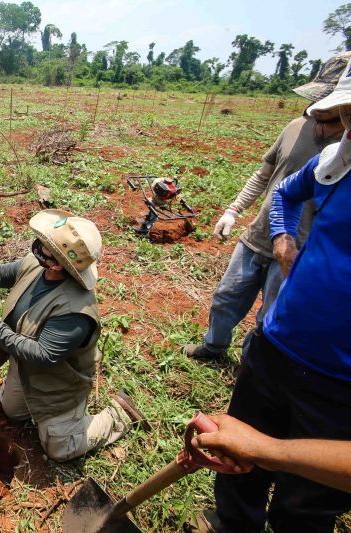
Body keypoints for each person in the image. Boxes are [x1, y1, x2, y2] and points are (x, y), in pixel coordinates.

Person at [201, 63, 351, 532]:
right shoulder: (333, 165)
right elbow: (281, 188)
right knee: (235, 463)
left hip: (341, 383)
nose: (333, 129)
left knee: (305, 505)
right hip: (276, 346)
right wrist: (282, 235)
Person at [185, 51, 350, 360]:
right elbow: (265, 174)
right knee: (226, 296)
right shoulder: (294, 128)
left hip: (299, 249)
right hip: (258, 235)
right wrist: (233, 211)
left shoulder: (345, 150)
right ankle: (214, 346)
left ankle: (251, 366)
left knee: (270, 317)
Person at [0, 210, 148, 462]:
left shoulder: (74, 310)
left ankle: (118, 417)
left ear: (58, 263)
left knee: (59, 450)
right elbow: (5, 275)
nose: (38, 247)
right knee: (11, 410)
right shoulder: (37, 266)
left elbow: (44, 355)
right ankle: (37, 406)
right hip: (26, 366)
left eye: (45, 247)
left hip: (58, 382)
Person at [192, 414, 351, 494]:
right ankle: (231, 521)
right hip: (272, 355)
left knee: (304, 502)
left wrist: (267, 449)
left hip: (340, 384)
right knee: (238, 481)